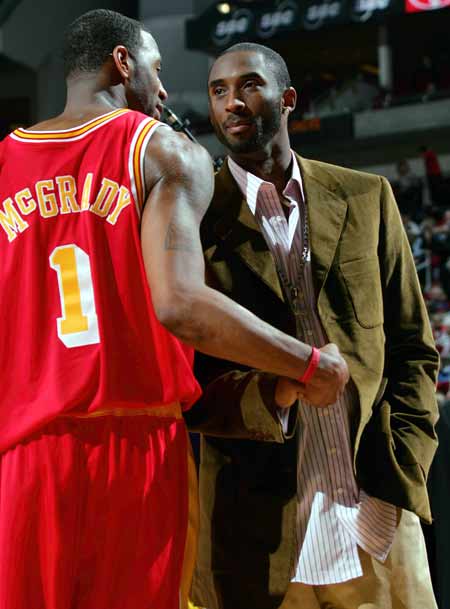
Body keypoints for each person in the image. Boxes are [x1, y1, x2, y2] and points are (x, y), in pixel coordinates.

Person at [0, 15, 349, 609]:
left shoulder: (6, 160)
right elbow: (181, 304)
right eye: (156, 69)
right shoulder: (160, 148)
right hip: (134, 446)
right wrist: (309, 364)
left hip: (23, 455)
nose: (163, 88)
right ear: (123, 62)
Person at [185, 42, 440, 609]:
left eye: (249, 85)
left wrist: (405, 465)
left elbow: (413, 347)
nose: (232, 103)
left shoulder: (367, 196)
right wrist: (277, 390)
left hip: (375, 513)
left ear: (288, 99)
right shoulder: (195, 219)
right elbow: (189, 382)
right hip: (259, 531)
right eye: (218, 91)